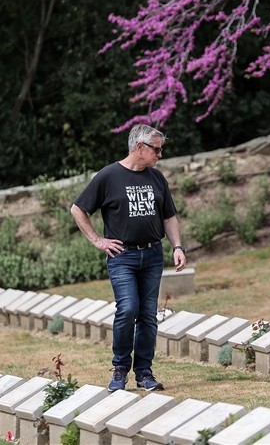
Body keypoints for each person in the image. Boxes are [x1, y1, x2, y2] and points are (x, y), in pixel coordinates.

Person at [71, 124, 186, 392]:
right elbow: (78, 209)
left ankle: (144, 373)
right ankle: (120, 368)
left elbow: (169, 216)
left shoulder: (157, 178)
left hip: (153, 254)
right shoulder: (108, 176)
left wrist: (177, 246)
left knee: (147, 315)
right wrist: (97, 240)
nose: (160, 155)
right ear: (139, 147)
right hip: (122, 256)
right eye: (156, 149)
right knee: (128, 309)